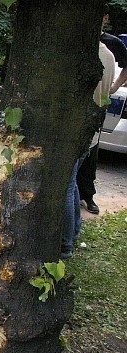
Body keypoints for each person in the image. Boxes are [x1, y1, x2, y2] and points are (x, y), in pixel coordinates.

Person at [61, 41, 115, 259]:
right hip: (91, 131)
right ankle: (72, 233)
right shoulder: (109, 55)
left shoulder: (82, 53)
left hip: (75, 132)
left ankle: (65, 243)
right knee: (72, 183)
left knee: (66, 186)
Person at [77, 5, 127, 214]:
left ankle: (87, 194)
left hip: (98, 106)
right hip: (77, 105)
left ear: (105, 18)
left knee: (91, 153)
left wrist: (114, 87)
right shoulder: (78, 39)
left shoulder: (111, 43)